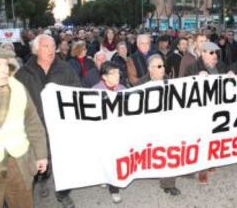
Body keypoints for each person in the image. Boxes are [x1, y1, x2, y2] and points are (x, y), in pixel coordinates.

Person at [15, 34, 81, 208]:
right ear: (36, 49)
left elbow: (78, 91)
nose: (51, 50)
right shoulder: (23, 73)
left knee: (64, 160)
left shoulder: (65, 68)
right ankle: (42, 181)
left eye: (52, 46)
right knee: (40, 159)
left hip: (61, 124)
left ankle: (63, 193)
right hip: (36, 127)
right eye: (46, 46)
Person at [0, 45, 48, 208]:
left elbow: (33, 122)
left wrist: (41, 154)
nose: (5, 70)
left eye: (6, 64)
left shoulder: (17, 88)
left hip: (19, 163)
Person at [136, 54, 182, 195]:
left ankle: (168, 184)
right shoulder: (140, 84)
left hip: (168, 124)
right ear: (150, 69)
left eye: (163, 65)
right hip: (148, 125)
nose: (163, 69)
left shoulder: (171, 83)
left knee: (169, 151)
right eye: (159, 66)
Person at [185, 42, 227, 184]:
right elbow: (184, 88)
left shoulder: (220, 66)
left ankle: (210, 162)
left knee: (214, 137)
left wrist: (232, 76)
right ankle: (201, 169)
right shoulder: (192, 67)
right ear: (202, 53)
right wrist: (196, 78)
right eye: (211, 53)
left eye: (216, 53)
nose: (215, 55)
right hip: (201, 110)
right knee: (202, 139)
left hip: (217, 107)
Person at [92, 62, 125, 203]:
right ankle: (103, 176)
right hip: (102, 132)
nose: (118, 76)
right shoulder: (94, 91)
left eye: (118, 73)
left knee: (115, 160)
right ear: (104, 77)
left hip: (118, 132)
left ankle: (114, 189)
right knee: (104, 158)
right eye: (114, 73)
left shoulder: (123, 89)